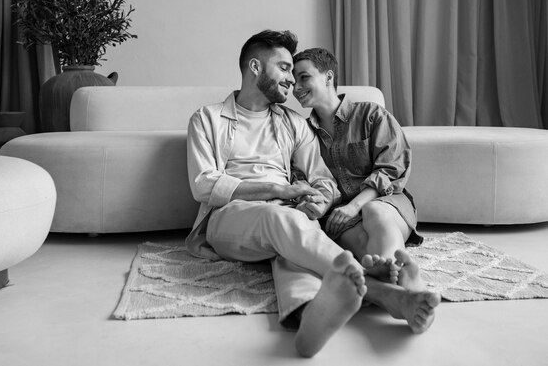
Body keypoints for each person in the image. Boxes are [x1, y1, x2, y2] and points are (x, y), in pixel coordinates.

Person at [186, 30, 440, 358]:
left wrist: (318, 202)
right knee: (279, 218)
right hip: (228, 217)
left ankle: (309, 318)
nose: (291, 80)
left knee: (294, 244)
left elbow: (322, 178)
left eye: (296, 72)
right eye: (283, 68)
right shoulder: (206, 119)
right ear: (254, 67)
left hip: (285, 217)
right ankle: (383, 291)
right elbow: (203, 184)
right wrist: (277, 188)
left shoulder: (293, 122)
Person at [292, 47, 423, 280]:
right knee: (366, 251)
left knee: (374, 211)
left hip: (386, 202)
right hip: (340, 218)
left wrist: (354, 206)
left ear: (328, 76)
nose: (296, 88)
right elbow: (301, 177)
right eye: (293, 82)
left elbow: (393, 167)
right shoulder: (302, 133)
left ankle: (396, 277)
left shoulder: (371, 115)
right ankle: (400, 279)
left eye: (304, 78)